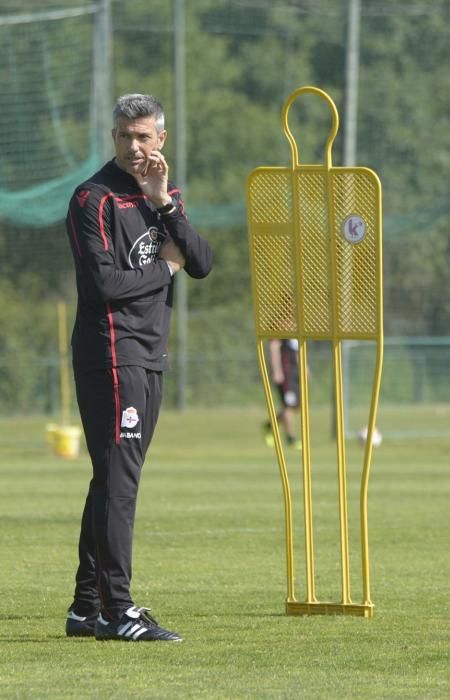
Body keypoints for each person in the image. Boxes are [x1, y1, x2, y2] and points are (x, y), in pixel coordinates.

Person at [64, 93, 213, 642]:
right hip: (110, 354)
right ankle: (117, 611)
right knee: (120, 484)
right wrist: (166, 269)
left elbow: (199, 261)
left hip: (151, 354)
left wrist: (165, 205)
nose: (134, 146)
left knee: (113, 478)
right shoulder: (92, 199)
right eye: (125, 136)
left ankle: (85, 606)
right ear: (113, 136)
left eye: (144, 136)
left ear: (161, 140)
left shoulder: (161, 196)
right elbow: (107, 286)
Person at [263, 339, 302, 450]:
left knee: (295, 407)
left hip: (294, 375)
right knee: (289, 406)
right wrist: (276, 370)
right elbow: (274, 347)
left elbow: (297, 352)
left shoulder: (295, 334)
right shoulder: (281, 329)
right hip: (286, 375)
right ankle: (291, 439)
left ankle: (270, 426)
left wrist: (304, 368)